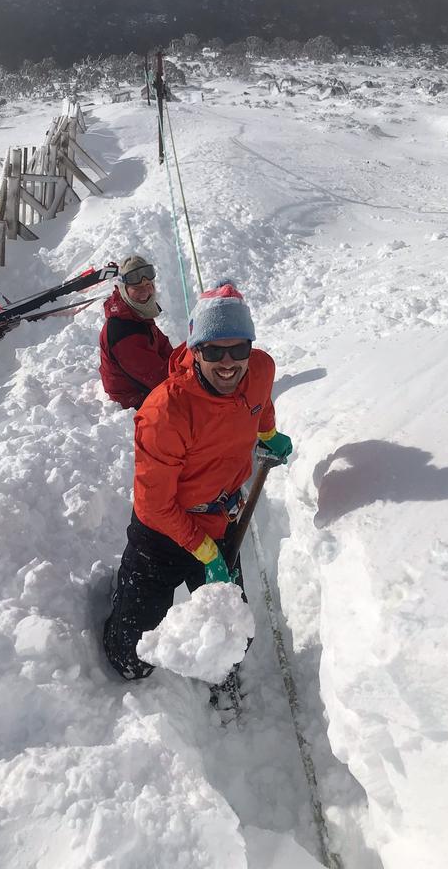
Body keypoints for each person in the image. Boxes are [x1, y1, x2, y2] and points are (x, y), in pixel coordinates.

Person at [103, 280, 293, 681]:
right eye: (213, 350)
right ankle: (124, 595)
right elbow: (154, 505)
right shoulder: (165, 413)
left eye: (238, 349)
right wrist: (205, 553)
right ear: (195, 350)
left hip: (222, 521)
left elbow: (261, 402)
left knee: (233, 641)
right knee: (130, 659)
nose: (228, 362)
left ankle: (221, 687)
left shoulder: (259, 368)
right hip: (163, 533)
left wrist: (268, 434)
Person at [99, 255, 173, 410]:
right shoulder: (123, 330)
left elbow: (163, 345)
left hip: (144, 382)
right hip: (132, 398)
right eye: (137, 288)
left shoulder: (134, 312)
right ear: (124, 290)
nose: (145, 292)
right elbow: (156, 377)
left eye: (148, 285)